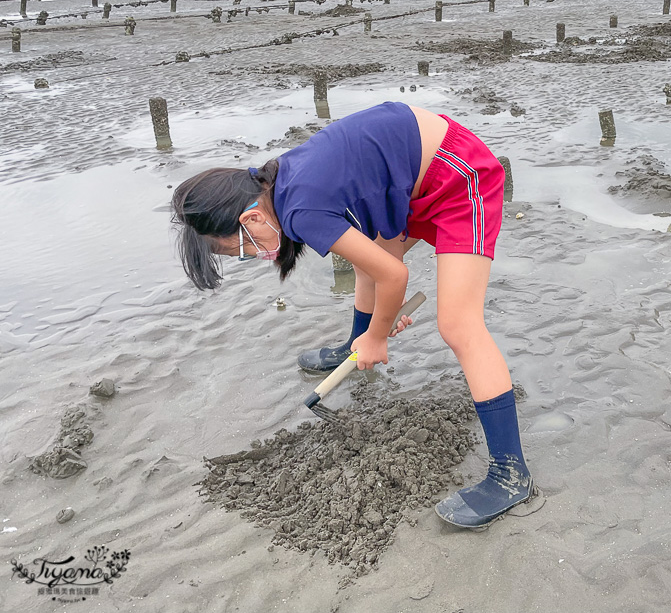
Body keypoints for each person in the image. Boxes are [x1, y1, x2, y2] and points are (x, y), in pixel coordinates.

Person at [171, 102, 532, 529]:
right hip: (403, 175)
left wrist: (380, 334)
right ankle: (353, 346)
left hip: (457, 172)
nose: (254, 254)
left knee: (458, 324)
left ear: (250, 218)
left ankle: (512, 475)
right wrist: (381, 318)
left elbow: (395, 275)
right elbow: (378, 265)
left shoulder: (299, 211)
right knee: (366, 262)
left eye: (241, 248)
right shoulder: (273, 182)